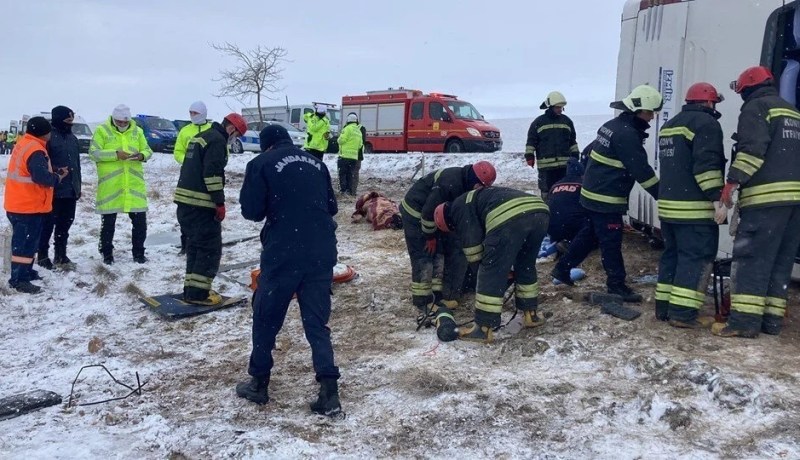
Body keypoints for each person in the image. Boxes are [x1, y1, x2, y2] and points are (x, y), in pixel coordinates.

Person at [235, 124, 342, 416]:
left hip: (284, 251)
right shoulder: (317, 163)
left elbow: (252, 212)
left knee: (266, 316)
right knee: (316, 323)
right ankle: (329, 392)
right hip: (321, 250)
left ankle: (259, 384)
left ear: (266, 145)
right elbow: (331, 207)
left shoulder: (260, 164)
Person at [551, 85, 662, 302]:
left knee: (589, 235)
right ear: (637, 110)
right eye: (650, 112)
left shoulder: (612, 126)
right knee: (611, 242)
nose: (651, 117)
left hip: (592, 194)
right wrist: (664, 196)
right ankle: (616, 285)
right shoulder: (627, 135)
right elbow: (642, 172)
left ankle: (562, 269)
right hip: (606, 199)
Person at [712, 66, 800, 338]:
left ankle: (744, 323)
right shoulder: (792, 112)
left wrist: (732, 182)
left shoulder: (756, 108)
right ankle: (771, 322)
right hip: (794, 204)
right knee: (780, 262)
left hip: (765, 202)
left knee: (752, 260)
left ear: (746, 89)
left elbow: (752, 151)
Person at [433, 186, 550, 343]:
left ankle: (483, 329)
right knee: (525, 264)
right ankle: (531, 315)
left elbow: (474, 250)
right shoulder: (475, 198)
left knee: (491, 270)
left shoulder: (458, 209)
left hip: (510, 216)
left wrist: (481, 274)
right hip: (539, 211)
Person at [655, 83, 727, 329]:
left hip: (668, 210)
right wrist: (718, 200)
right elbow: (707, 167)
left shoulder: (669, 125)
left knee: (672, 257)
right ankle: (683, 314)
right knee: (694, 259)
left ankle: (663, 308)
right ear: (709, 103)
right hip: (694, 211)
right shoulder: (707, 124)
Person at [399, 162, 497, 321]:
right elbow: (428, 212)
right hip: (416, 214)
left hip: (434, 216)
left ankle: (437, 294)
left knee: (438, 253)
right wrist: (429, 237)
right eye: (479, 187)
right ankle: (422, 300)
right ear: (475, 181)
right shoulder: (450, 182)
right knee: (423, 255)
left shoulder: (466, 184)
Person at [173, 113, 246, 305]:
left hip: (185, 203)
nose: (234, 140)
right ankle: (199, 294)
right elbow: (212, 174)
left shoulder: (202, 137)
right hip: (201, 205)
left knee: (195, 247)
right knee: (209, 249)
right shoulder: (216, 141)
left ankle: (192, 289)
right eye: (236, 135)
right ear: (231, 128)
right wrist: (219, 202)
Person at [3, 117, 68, 293]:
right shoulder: (36, 149)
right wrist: (58, 177)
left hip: (20, 203)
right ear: (44, 133)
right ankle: (18, 280)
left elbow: (32, 171)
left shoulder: (25, 143)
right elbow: (42, 178)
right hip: (27, 206)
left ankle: (26, 271)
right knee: (24, 244)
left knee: (28, 243)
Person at [88, 104, 153, 264]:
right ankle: (107, 253)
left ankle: (139, 253)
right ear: (114, 119)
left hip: (133, 186)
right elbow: (94, 153)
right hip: (111, 186)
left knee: (140, 223)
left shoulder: (137, 131)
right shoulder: (102, 131)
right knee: (108, 224)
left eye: (125, 122)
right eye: (119, 122)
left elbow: (148, 150)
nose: (122, 125)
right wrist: (115, 155)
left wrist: (141, 156)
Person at [38, 106, 82, 270]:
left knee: (65, 225)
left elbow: (76, 165)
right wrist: (57, 172)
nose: (70, 124)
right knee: (47, 226)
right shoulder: (48, 139)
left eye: (72, 121)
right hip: (54, 191)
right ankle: (42, 256)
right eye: (67, 121)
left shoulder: (73, 139)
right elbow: (43, 164)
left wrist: (78, 186)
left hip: (70, 191)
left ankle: (61, 255)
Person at [173, 101, 213, 255]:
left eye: (195, 113)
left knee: (203, 211)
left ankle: (202, 242)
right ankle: (185, 245)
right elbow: (178, 151)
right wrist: (190, 162)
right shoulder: (185, 131)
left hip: (206, 176)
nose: (192, 116)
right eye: (191, 113)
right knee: (186, 210)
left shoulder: (211, 130)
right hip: (189, 177)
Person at [525, 91, 580, 201]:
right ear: (550, 107)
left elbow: (572, 141)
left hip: (564, 166)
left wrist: (575, 155)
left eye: (561, 107)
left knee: (564, 191)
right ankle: (548, 210)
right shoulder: (538, 122)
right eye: (557, 107)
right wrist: (529, 156)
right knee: (547, 192)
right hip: (546, 168)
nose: (560, 109)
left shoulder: (567, 121)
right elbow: (531, 141)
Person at [547, 157, 588, 251]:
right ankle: (570, 244)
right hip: (573, 226)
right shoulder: (583, 184)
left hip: (552, 228)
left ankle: (560, 240)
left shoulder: (556, 185)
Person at [337, 112, 363, 195]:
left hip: (344, 156)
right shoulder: (358, 131)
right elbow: (360, 145)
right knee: (350, 174)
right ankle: (349, 190)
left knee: (343, 174)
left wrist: (339, 139)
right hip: (354, 157)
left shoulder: (347, 128)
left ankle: (343, 190)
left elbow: (341, 140)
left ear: (348, 120)